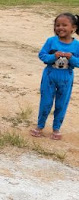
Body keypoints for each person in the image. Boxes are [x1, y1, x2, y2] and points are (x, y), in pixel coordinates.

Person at [30, 12, 79, 140]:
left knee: (61, 103)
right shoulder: (51, 41)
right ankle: (40, 126)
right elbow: (42, 55)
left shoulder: (76, 45)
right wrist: (53, 56)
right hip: (50, 75)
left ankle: (56, 128)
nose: (60, 28)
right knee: (46, 102)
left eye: (64, 25)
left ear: (73, 28)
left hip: (66, 77)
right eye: (57, 25)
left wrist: (71, 58)